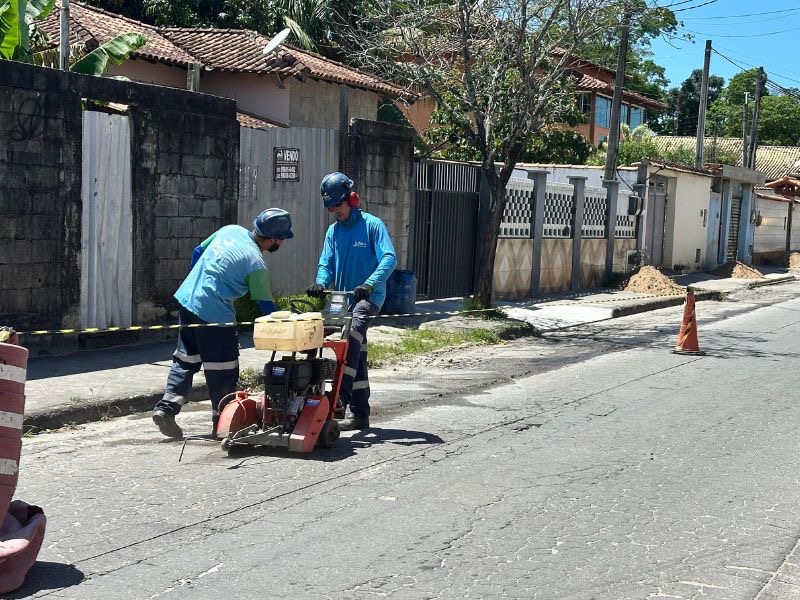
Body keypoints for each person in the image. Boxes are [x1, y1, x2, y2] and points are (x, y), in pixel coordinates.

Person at [152, 208, 294, 439]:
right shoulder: (255, 263)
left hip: (188, 299)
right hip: (215, 315)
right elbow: (265, 307)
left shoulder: (230, 230)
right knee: (223, 369)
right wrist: (287, 325)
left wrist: (196, 284)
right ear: (274, 239)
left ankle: (166, 408)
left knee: (186, 358)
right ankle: (223, 424)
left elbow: (197, 251)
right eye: (282, 239)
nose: (281, 243)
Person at [306, 172, 397, 431]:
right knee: (329, 339)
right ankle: (360, 414)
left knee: (353, 333)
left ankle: (340, 399)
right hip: (340, 298)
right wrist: (321, 282)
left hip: (369, 297)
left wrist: (369, 284)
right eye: (330, 207)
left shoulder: (372, 225)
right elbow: (326, 264)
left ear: (352, 199)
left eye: (337, 205)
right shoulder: (333, 232)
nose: (334, 210)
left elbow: (389, 258)